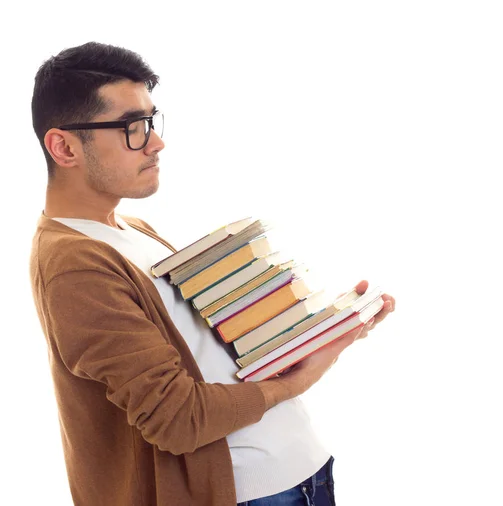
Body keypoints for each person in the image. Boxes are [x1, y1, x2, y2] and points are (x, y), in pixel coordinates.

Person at [29, 41, 395, 506]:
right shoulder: (73, 265)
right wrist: (301, 379)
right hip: (250, 494)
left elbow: (211, 358)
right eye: (132, 128)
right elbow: (178, 418)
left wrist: (321, 336)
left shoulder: (129, 229)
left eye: (151, 121)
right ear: (64, 146)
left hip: (300, 472)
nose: (155, 142)